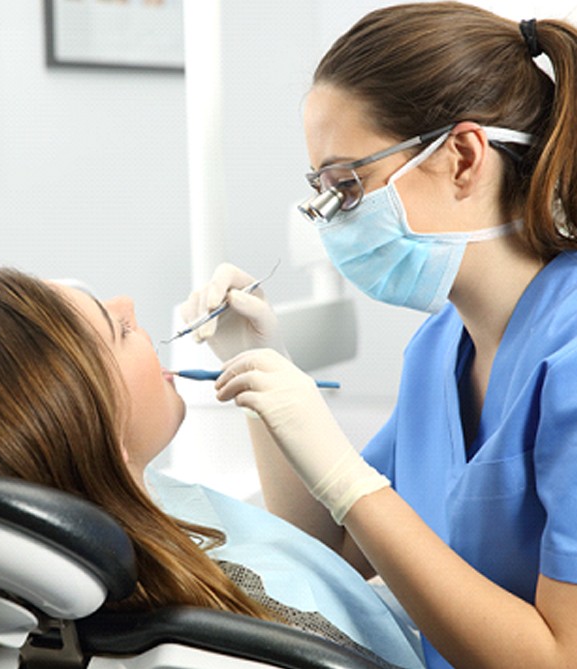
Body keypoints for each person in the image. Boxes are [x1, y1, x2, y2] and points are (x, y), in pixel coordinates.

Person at [179, 3, 577, 668]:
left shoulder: (567, 357)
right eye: (321, 193)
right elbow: (332, 542)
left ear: (461, 157)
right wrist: (259, 366)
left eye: (347, 186)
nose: (327, 222)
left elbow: (559, 656)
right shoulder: (436, 350)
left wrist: (345, 473)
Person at [0, 267, 424, 669]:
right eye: (117, 329)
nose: (128, 304)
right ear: (102, 438)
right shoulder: (247, 632)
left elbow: (309, 558)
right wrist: (346, 482)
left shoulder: (118, 507)